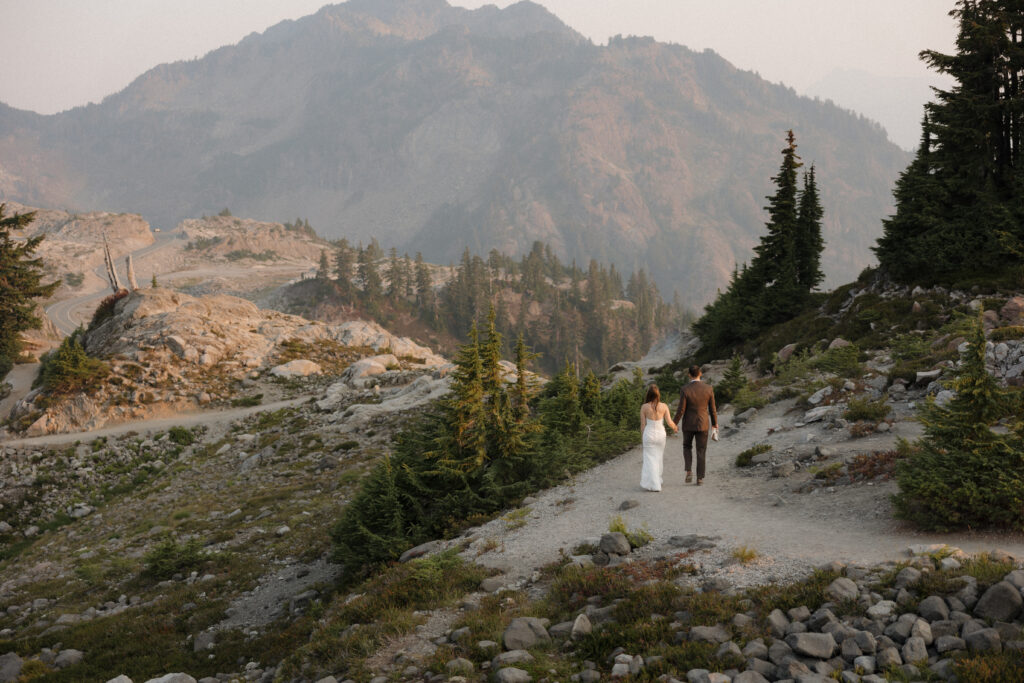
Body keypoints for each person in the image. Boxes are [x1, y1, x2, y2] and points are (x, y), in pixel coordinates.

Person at [673, 365, 718, 486]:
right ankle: (700, 478)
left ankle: (688, 470)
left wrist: (674, 423)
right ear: (700, 373)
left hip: (688, 424)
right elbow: (713, 409)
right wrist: (715, 424)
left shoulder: (685, 389)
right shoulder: (709, 388)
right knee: (701, 450)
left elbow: (681, 410)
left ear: (689, 375)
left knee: (687, 447)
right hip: (703, 424)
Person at [640, 384, 677, 491]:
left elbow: (643, 425)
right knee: (658, 457)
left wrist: (642, 436)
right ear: (658, 394)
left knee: (649, 459)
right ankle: (658, 479)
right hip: (661, 435)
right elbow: (669, 422)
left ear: (648, 394)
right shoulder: (664, 406)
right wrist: (675, 427)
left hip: (649, 434)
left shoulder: (644, 407)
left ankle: (655, 484)